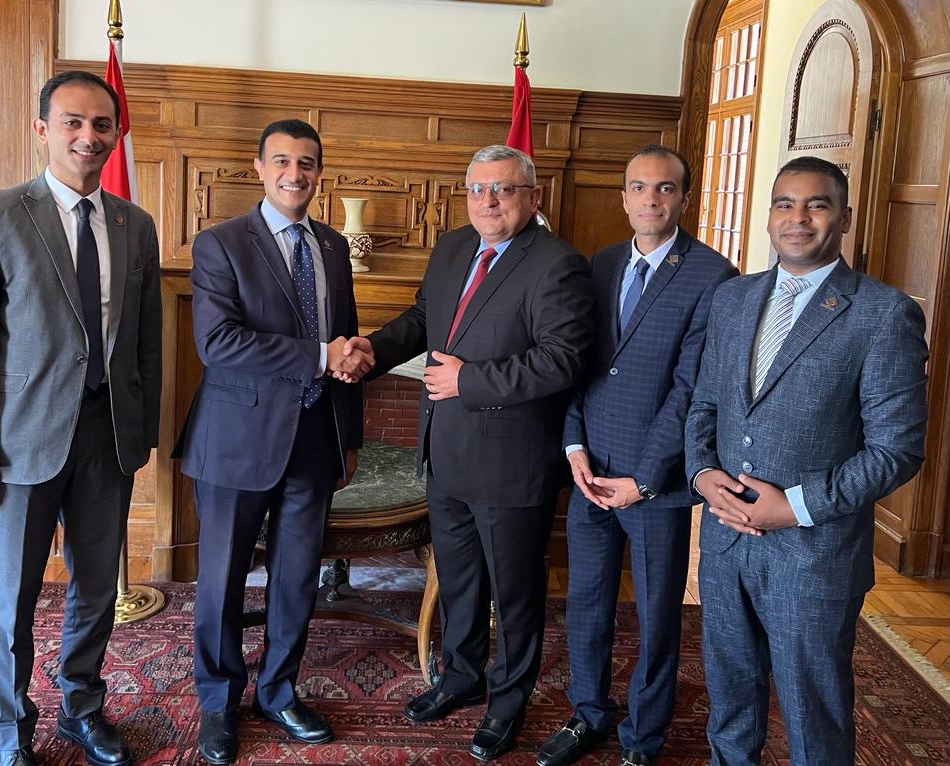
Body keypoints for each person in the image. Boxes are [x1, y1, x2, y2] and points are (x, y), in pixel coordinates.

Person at [344, 144, 594, 761]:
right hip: (445, 452)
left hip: (511, 462)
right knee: (459, 581)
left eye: (504, 189)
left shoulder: (558, 263)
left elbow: (562, 360)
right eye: (478, 188)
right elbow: (423, 318)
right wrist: (374, 349)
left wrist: (470, 380)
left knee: (513, 593)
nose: (489, 200)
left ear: (533, 197)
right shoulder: (455, 247)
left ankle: (508, 702)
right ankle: (460, 676)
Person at [0, 70, 162, 766]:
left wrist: (141, 433)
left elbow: (146, 343)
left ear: (116, 134)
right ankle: (9, 734)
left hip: (108, 438)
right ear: (43, 129)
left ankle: (81, 709)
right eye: (72, 121)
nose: (87, 136)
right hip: (17, 445)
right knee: (11, 600)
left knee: (97, 589)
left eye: (101, 124)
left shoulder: (134, 225)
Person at [685, 156, 928, 765]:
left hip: (814, 554)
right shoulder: (732, 298)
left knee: (812, 713)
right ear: (769, 216)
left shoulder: (882, 313)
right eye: (784, 204)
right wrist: (702, 474)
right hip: (725, 542)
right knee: (730, 699)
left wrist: (792, 507)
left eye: (816, 205)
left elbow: (896, 450)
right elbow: (705, 403)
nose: (798, 218)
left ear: (844, 218)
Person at [171, 119, 372, 765]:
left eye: (307, 162)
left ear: (319, 173)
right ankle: (218, 702)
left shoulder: (332, 245)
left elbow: (345, 337)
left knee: (295, 578)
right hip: (236, 440)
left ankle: (278, 691)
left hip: (315, 437)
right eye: (282, 161)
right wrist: (319, 356)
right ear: (259, 168)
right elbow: (218, 343)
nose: (295, 173)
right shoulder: (221, 243)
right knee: (223, 578)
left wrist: (349, 435)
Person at [537, 145, 737, 766]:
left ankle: (644, 736)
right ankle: (588, 713)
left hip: (657, 484)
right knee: (587, 602)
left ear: (684, 198)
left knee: (656, 616)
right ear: (624, 197)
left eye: (665, 188)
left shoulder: (713, 275)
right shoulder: (599, 264)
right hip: (589, 472)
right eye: (639, 187)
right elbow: (577, 363)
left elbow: (690, 388)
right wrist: (573, 446)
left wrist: (644, 480)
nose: (651, 199)